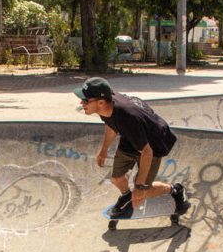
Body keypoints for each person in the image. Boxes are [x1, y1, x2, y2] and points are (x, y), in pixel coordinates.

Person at [75, 77, 189, 218]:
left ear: (101, 102)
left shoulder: (127, 118)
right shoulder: (105, 109)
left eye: (85, 100)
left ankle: (176, 190)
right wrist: (104, 150)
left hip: (153, 142)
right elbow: (111, 124)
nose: (81, 103)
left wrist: (140, 187)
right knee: (116, 178)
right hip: (131, 138)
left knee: (143, 191)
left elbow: (147, 152)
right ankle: (126, 195)